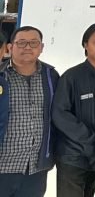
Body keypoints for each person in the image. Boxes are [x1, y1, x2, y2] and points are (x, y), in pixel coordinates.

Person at [53, 23, 95, 197]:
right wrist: (88, 138)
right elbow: (60, 114)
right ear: (85, 44)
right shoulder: (72, 76)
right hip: (73, 155)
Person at [0, 26, 60, 197]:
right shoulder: (1, 76)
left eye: (34, 43)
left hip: (35, 168)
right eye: (21, 43)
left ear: (41, 48)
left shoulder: (51, 76)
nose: (28, 47)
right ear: (10, 47)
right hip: (3, 165)